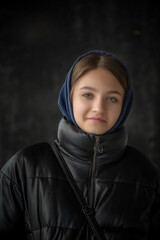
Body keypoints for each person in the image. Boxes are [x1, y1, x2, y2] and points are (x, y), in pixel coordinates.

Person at [0, 50, 160, 240]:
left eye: (112, 98)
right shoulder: (24, 166)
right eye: (87, 95)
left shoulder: (146, 175)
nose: (99, 108)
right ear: (69, 97)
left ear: (124, 106)